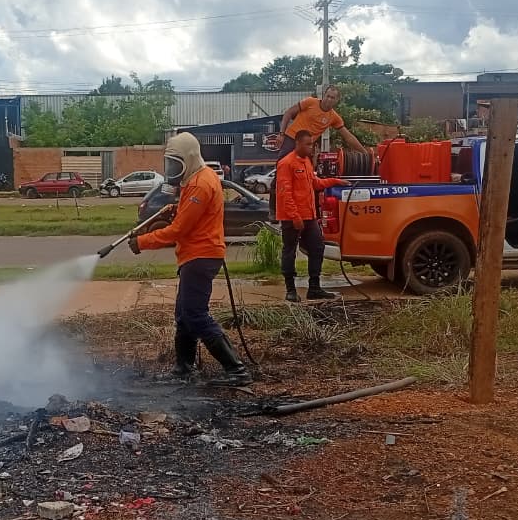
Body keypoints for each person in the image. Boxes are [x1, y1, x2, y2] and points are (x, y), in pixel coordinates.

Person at [129, 132, 253, 386]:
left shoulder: (199, 184)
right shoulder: (197, 178)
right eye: (170, 163)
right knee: (184, 315)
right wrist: (177, 208)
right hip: (195, 255)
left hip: (201, 256)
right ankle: (184, 368)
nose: (173, 169)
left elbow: (178, 231)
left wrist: (143, 241)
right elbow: (191, 216)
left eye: (177, 163)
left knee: (195, 315)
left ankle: (237, 371)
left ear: (190, 158)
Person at [270, 85, 366, 219]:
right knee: (281, 172)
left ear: (336, 100)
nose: (329, 99)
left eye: (332, 98)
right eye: (327, 96)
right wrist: (281, 134)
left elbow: (348, 137)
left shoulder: (334, 117)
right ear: (323, 95)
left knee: (310, 178)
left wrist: (364, 153)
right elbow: (289, 113)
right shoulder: (310, 102)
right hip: (291, 139)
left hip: (307, 147)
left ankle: (312, 212)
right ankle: (273, 211)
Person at [276, 129, 349, 302]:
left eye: (312, 144)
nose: (311, 147)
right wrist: (295, 217)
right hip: (292, 217)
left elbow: (314, 183)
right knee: (290, 251)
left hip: (309, 216)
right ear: (298, 143)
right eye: (307, 144)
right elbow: (285, 193)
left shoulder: (307, 162)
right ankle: (290, 289)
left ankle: (314, 288)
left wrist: (335, 181)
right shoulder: (286, 163)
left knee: (317, 248)